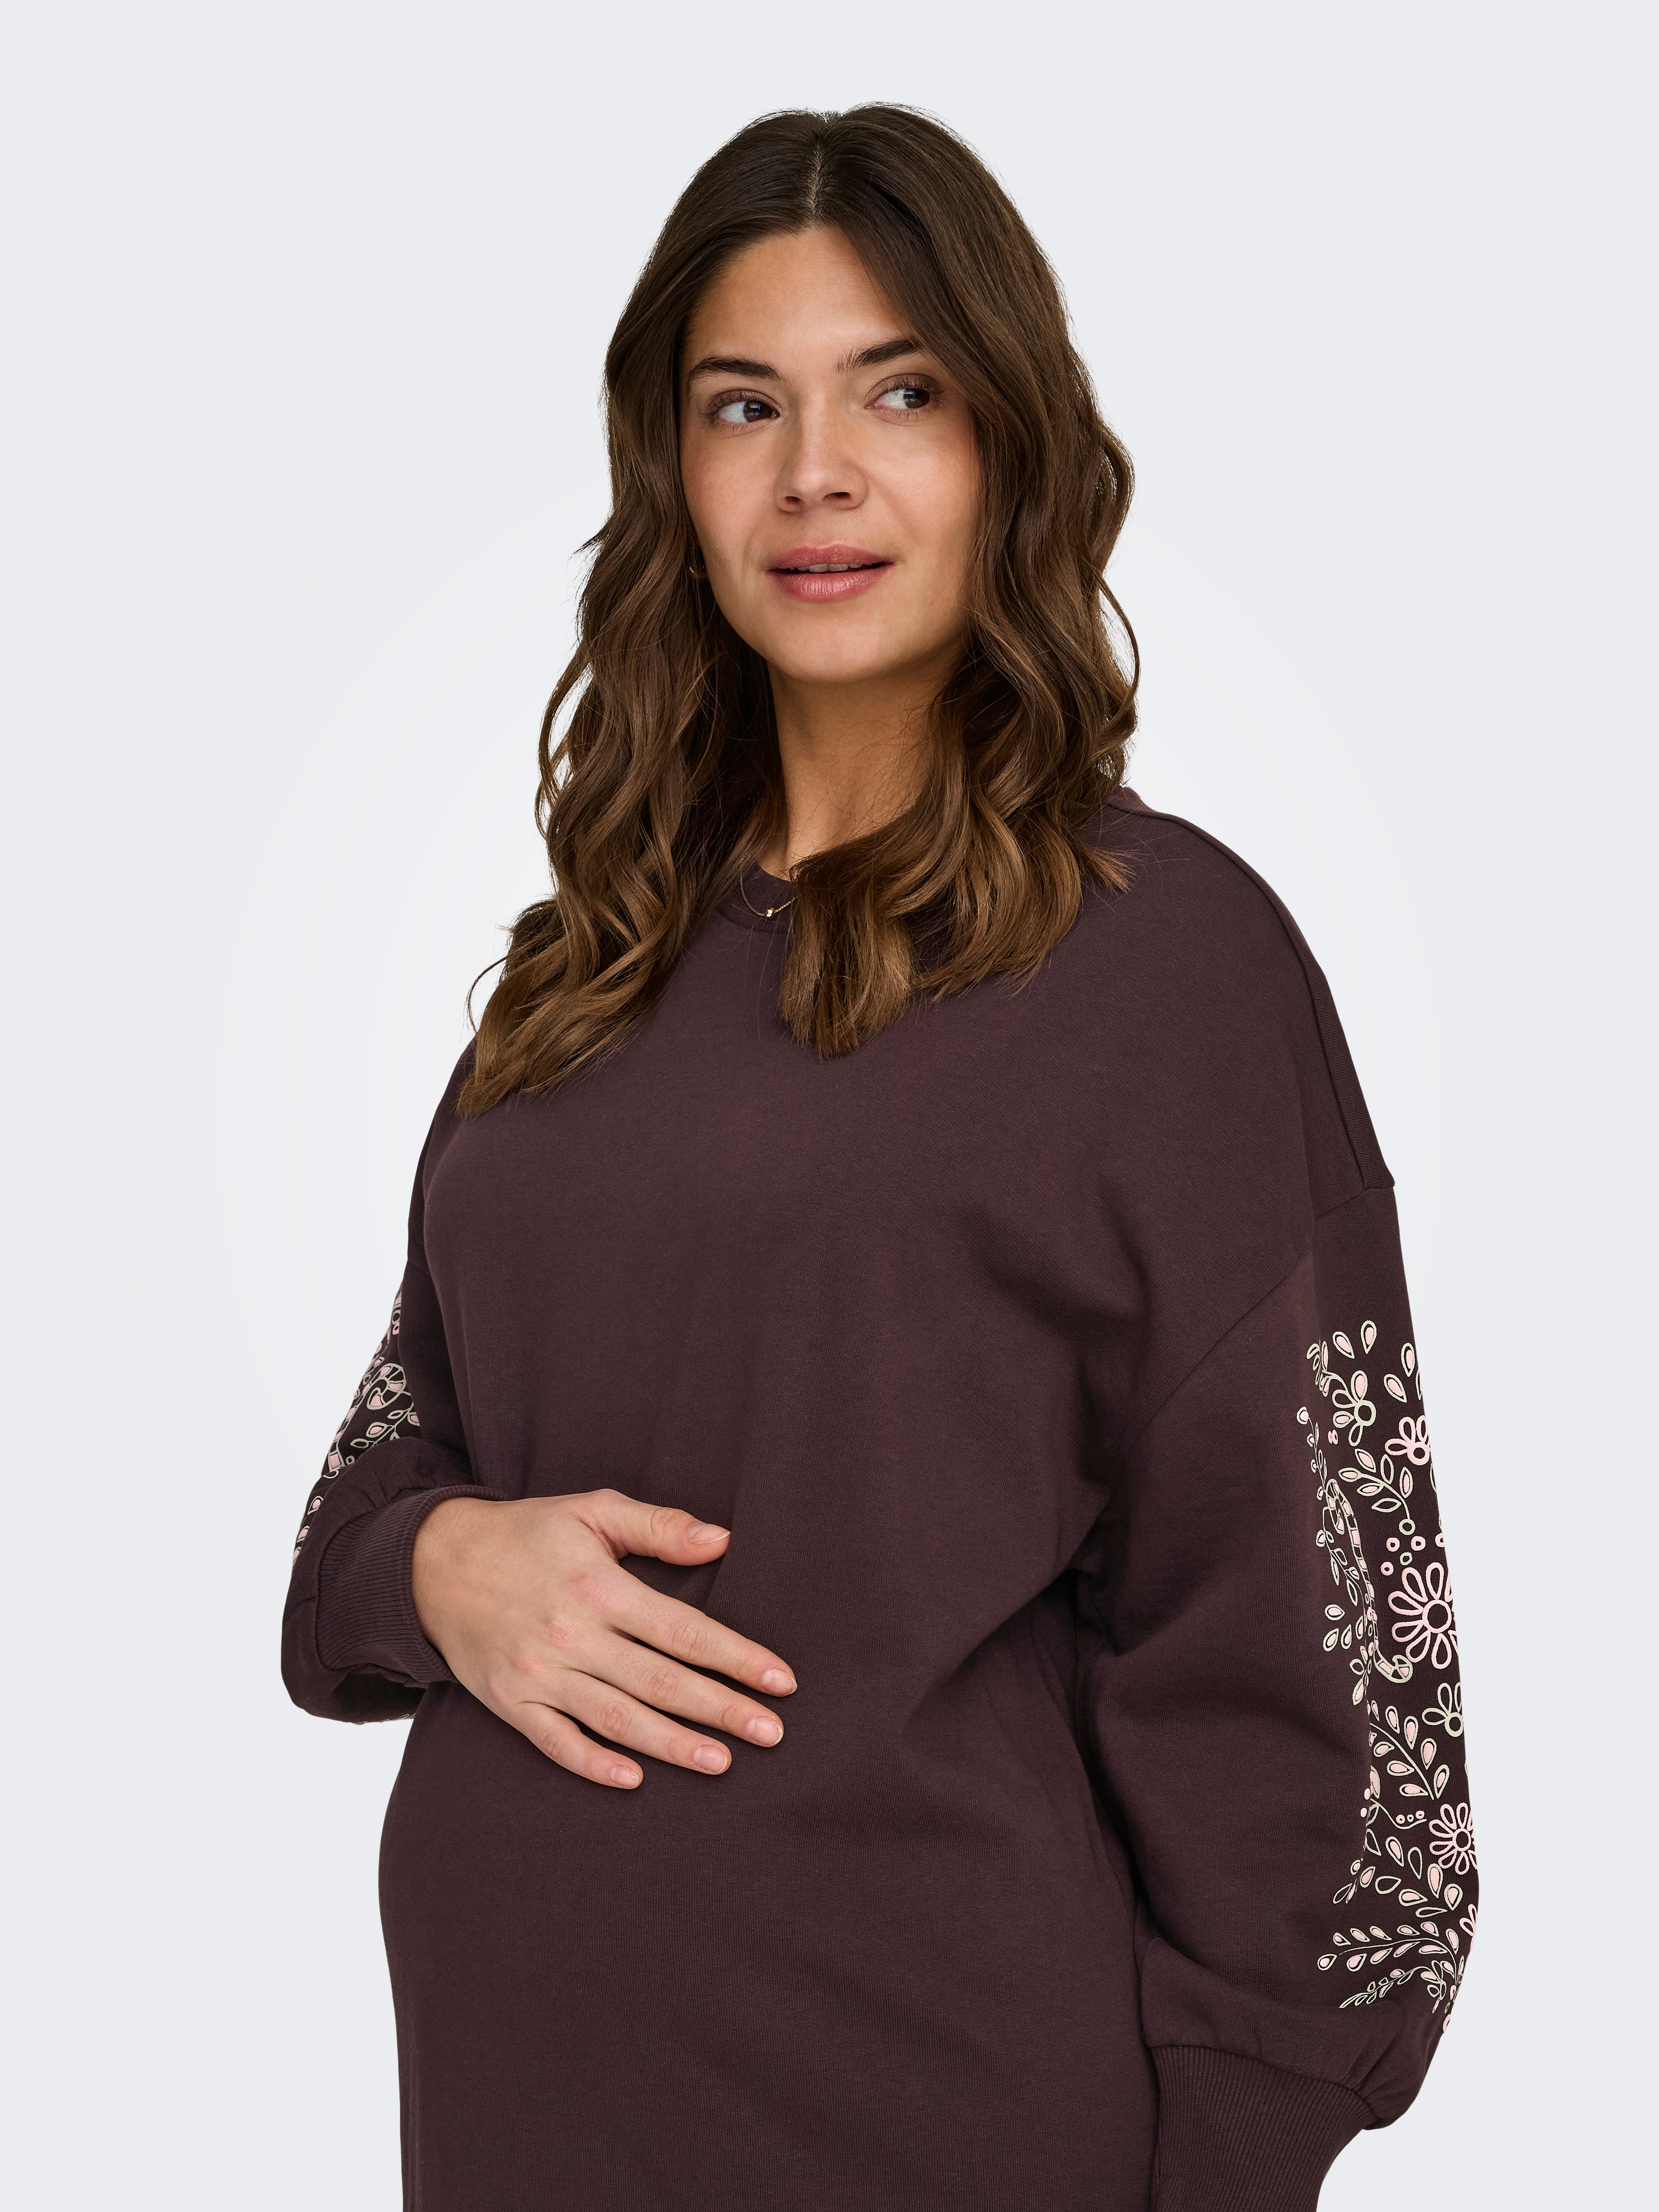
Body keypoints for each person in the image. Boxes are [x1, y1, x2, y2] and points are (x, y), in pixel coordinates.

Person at [282, 104, 1476, 2212]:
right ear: (675, 473)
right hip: (514, 2113)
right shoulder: (588, 969)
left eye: (899, 393)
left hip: (931, 2114)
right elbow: (381, 1476)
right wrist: (432, 1569)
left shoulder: (1168, 968)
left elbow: (1334, 1688)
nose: (816, 472)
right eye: (745, 404)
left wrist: (1240, 2159)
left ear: (1011, 446)